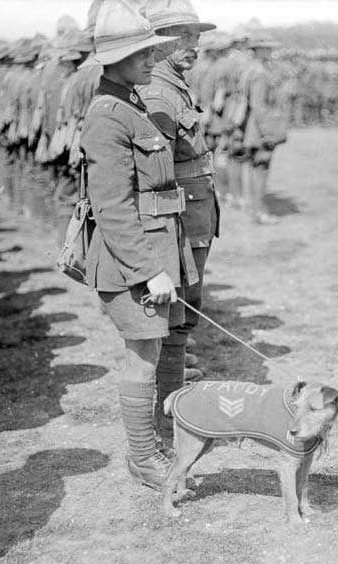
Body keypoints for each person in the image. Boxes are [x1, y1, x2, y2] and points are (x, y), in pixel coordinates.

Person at [80, 0, 197, 489]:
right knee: (142, 355)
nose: (151, 59)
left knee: (163, 345)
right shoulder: (107, 115)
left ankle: (164, 439)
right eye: (140, 54)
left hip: (161, 247)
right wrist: (148, 269)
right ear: (113, 60)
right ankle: (144, 456)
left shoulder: (133, 103)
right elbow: (111, 208)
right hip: (134, 258)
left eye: (150, 51)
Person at [141, 0, 219, 452]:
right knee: (172, 322)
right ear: (161, 41)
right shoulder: (159, 93)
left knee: (182, 318)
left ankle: (171, 411)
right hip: (178, 220)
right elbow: (156, 175)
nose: (195, 45)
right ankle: (165, 421)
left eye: (196, 36)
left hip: (192, 213)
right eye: (185, 37)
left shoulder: (174, 86)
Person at [239, 31, 287, 224]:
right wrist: (268, 133)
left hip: (255, 125)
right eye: (265, 47)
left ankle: (256, 208)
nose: (270, 51)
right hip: (260, 127)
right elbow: (258, 105)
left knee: (257, 168)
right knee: (261, 168)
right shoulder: (259, 72)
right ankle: (259, 211)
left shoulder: (253, 69)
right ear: (257, 50)